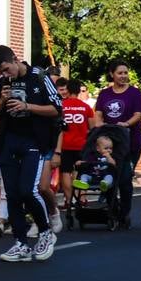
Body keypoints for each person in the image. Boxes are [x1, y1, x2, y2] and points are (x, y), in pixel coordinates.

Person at [0, 45, 63, 262]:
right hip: (10, 140)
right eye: (0, 72)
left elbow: (56, 109)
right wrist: (2, 100)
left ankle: (45, 232)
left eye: (6, 69)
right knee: (12, 194)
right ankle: (21, 243)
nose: (5, 74)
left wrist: (27, 106)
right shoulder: (3, 82)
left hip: (34, 140)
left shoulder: (39, 76)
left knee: (28, 190)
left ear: (15, 59)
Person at [92, 61, 141, 230]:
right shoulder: (105, 94)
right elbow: (98, 113)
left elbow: (138, 115)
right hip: (109, 144)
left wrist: (126, 123)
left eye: (125, 73)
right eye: (120, 73)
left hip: (130, 143)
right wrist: (99, 125)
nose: (123, 76)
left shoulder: (135, 93)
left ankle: (124, 213)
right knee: (109, 177)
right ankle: (112, 209)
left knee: (124, 179)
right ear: (112, 74)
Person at [55, 78, 94, 210]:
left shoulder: (61, 106)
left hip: (64, 145)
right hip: (82, 145)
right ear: (78, 91)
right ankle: (81, 198)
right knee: (80, 171)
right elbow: (92, 129)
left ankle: (68, 200)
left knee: (65, 172)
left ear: (68, 89)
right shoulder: (86, 107)